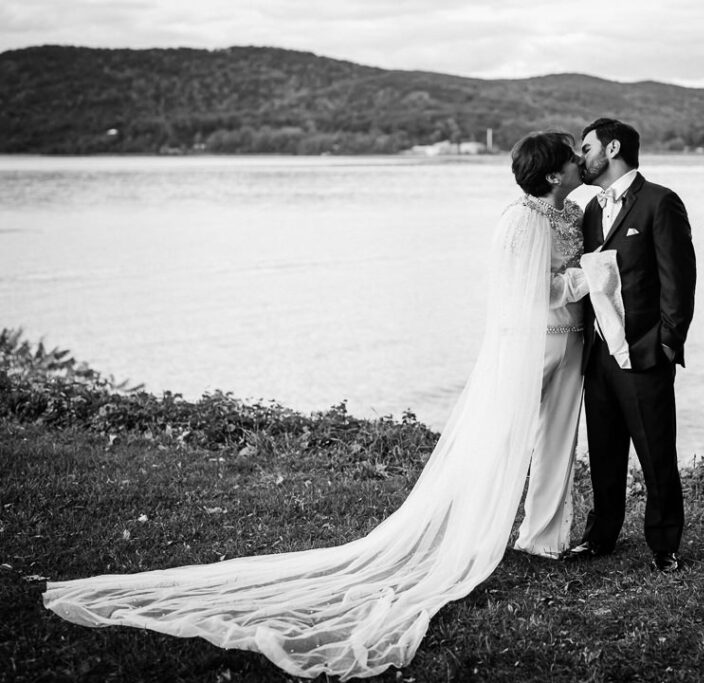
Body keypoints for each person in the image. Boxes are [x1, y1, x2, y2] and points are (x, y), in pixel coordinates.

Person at [42, 132, 589, 679]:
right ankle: (471, 534)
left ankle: (543, 538)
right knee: (496, 441)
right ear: (551, 174)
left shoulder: (569, 213)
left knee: (559, 440)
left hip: (573, 340)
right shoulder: (522, 220)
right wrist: (593, 277)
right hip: (528, 341)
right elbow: (526, 291)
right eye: (570, 157)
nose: (576, 162)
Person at [563, 118, 697, 573]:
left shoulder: (660, 202)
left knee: (656, 450)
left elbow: (678, 281)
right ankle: (600, 537)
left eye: (586, 148)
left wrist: (666, 343)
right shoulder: (590, 211)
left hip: (643, 352)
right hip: (599, 354)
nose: (581, 158)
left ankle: (664, 544)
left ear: (612, 148)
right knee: (603, 449)